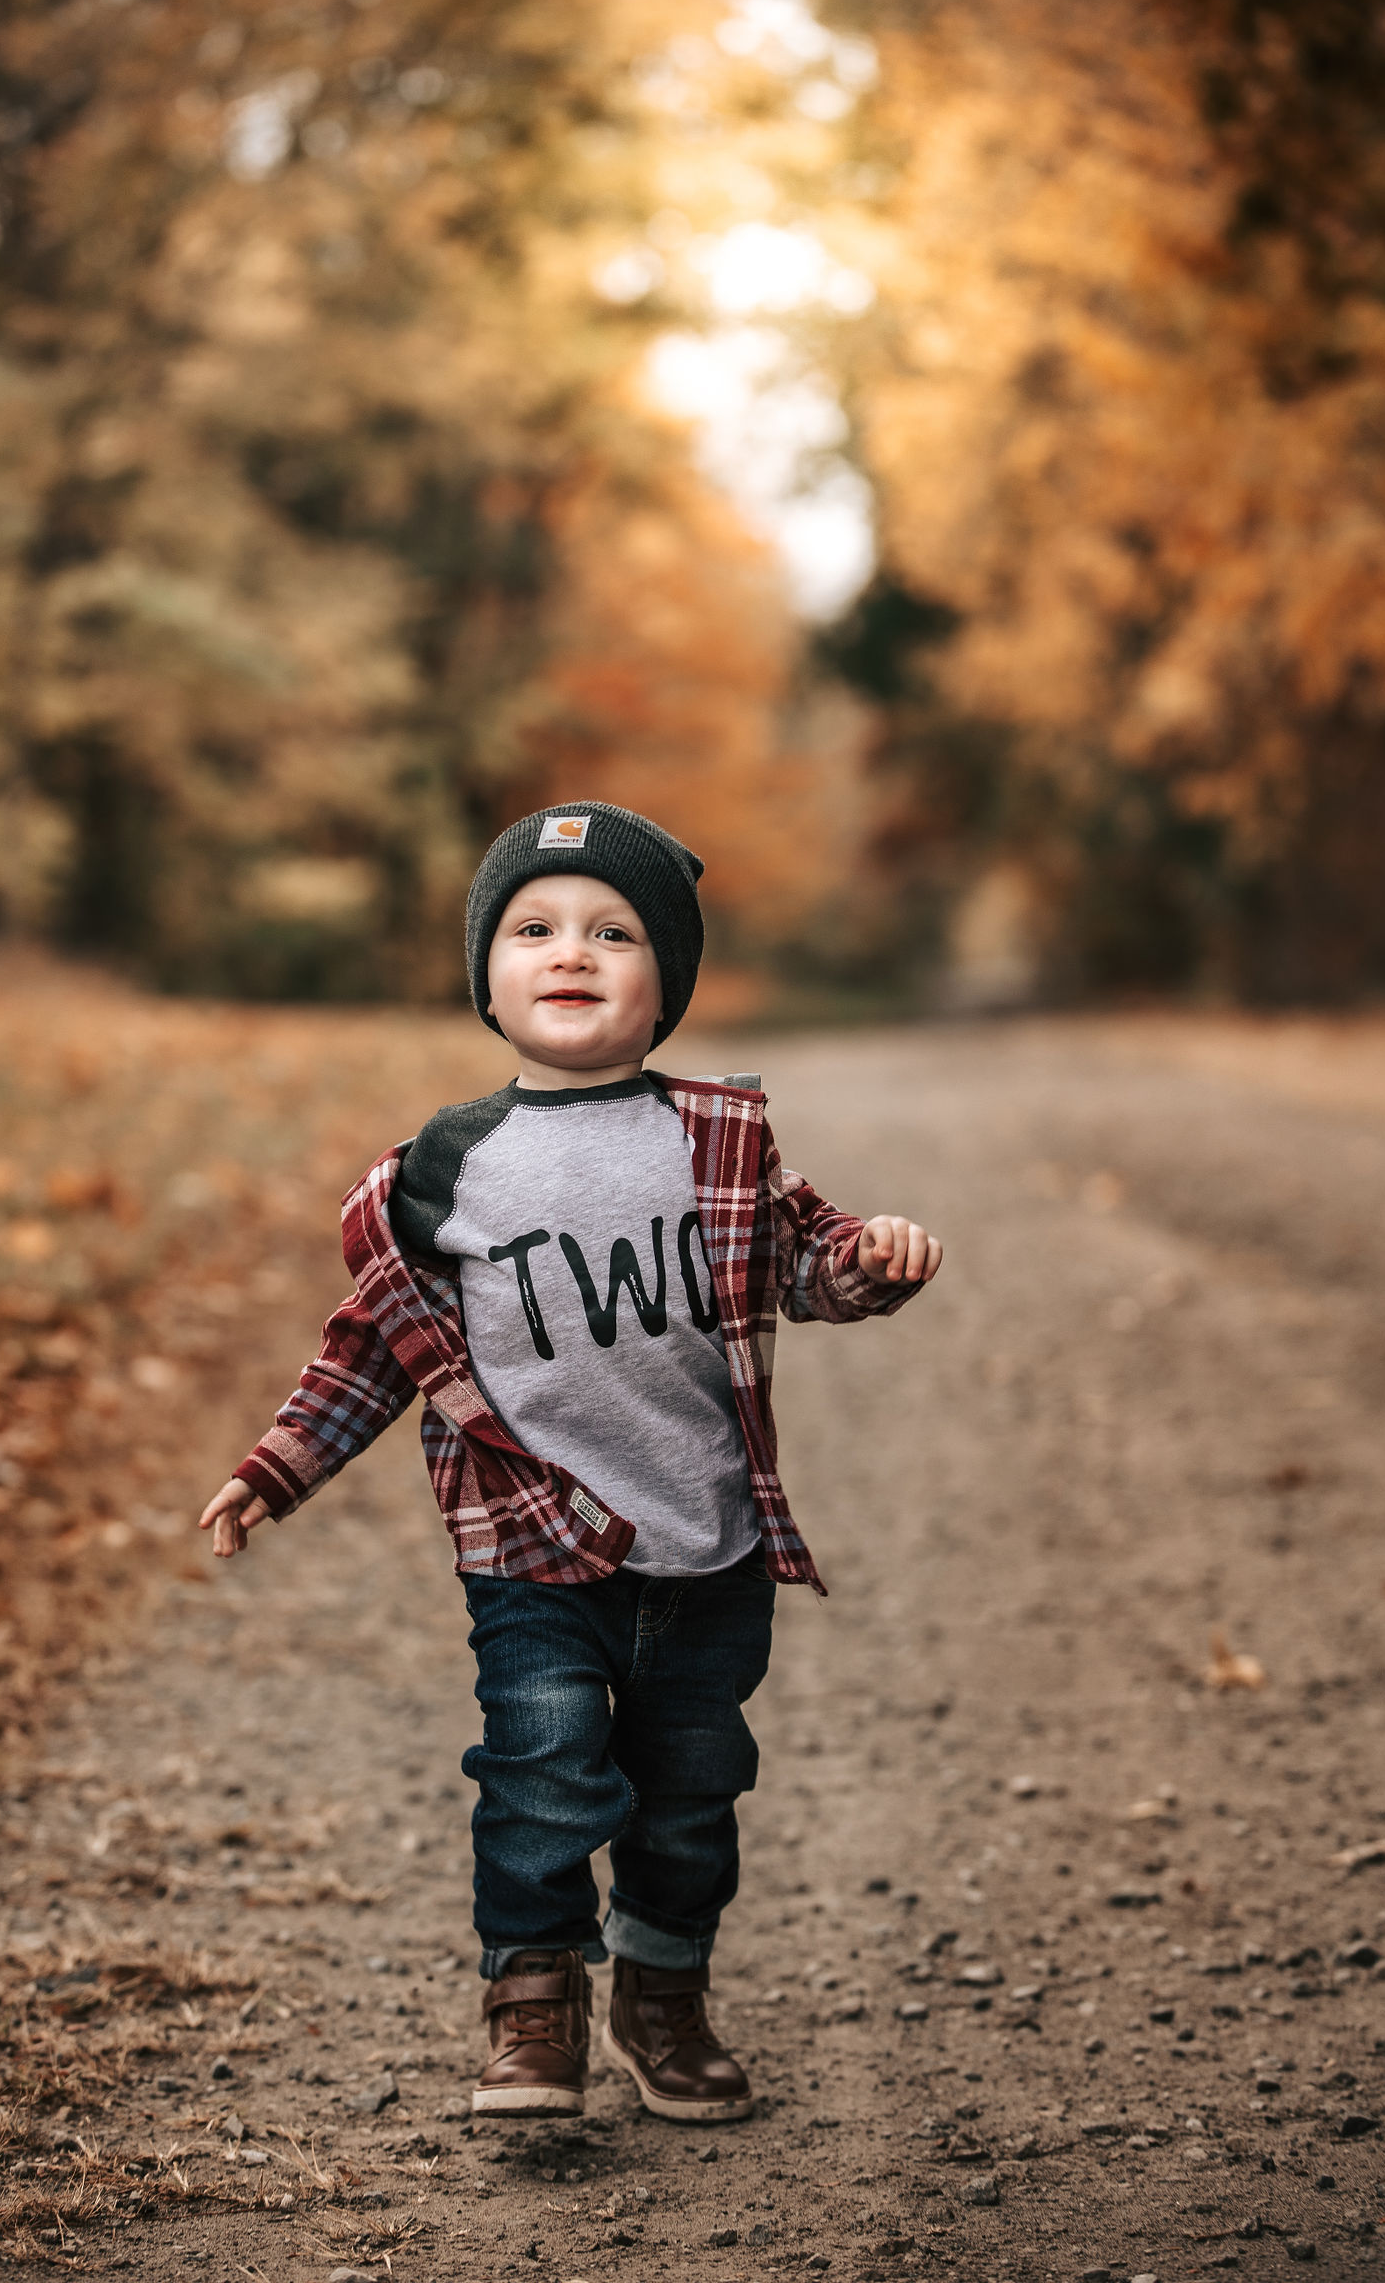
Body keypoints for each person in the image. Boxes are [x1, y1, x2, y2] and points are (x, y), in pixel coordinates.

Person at [200, 802, 941, 2124]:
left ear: (668, 984)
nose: (572, 952)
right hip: (532, 1548)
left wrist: (873, 1259)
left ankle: (663, 1994)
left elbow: (807, 1267)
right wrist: (280, 1466)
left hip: (706, 1548)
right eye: (533, 928)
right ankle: (532, 2005)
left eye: (614, 931)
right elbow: (379, 1347)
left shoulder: (719, 1138)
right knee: (541, 1769)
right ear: (487, 975)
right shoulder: (444, 1170)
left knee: (691, 1791)